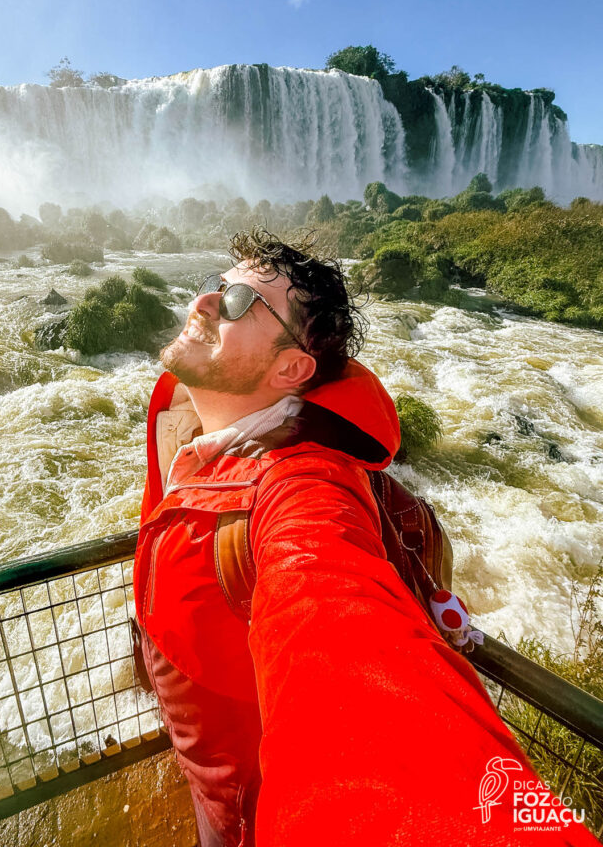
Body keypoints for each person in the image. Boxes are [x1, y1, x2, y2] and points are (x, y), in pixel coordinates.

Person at [132, 229, 596, 847]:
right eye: (219, 286)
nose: (205, 302)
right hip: (195, 725)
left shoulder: (299, 484)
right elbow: (357, 396)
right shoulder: (194, 399)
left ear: (292, 369)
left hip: (249, 783)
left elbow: (342, 638)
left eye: (239, 302)